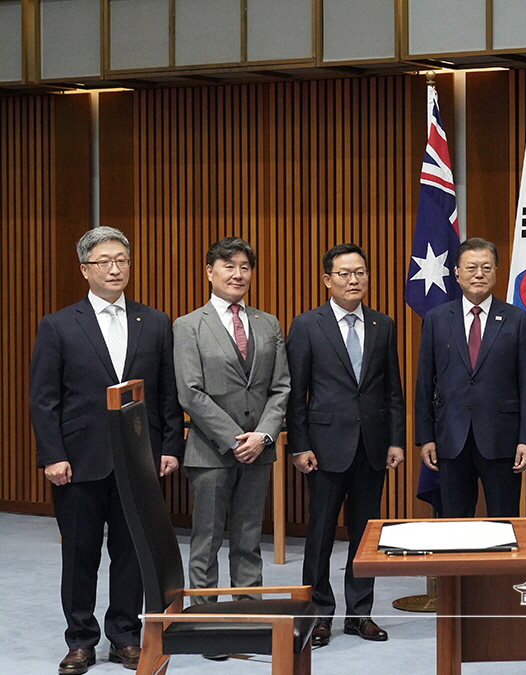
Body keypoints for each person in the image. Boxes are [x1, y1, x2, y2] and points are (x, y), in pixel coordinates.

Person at [30, 226, 185, 674]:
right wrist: (52, 455)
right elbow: (44, 399)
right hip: (78, 461)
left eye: (122, 260)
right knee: (79, 555)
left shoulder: (154, 321)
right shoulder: (58, 324)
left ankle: (123, 636)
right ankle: (80, 640)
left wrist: (169, 445)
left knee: (132, 553)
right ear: (85, 269)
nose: (115, 268)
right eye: (104, 261)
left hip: (139, 459)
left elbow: (166, 393)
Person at [286, 244, 405, 646]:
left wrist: (395, 440)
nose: (353, 280)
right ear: (327, 280)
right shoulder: (306, 325)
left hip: (372, 446)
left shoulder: (382, 324)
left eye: (360, 273)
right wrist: (299, 446)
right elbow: (295, 394)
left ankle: (360, 614)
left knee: (366, 535)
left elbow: (393, 390)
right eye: (344, 274)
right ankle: (318, 615)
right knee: (319, 535)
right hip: (323, 448)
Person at [173, 237, 289, 625]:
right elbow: (190, 392)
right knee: (206, 541)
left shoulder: (267, 322)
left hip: (260, 449)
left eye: (244, 267)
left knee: (249, 538)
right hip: (210, 451)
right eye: (229, 266)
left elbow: (281, 387)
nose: (238, 274)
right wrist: (234, 438)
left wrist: (262, 436)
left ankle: (248, 616)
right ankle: (206, 622)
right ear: (209, 271)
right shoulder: (188, 325)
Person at [415, 238, 526, 517]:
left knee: (505, 520)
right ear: (457, 273)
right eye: (471, 267)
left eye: (486, 267)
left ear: (496, 271)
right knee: (454, 524)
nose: (479, 274)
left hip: (502, 439)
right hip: (451, 440)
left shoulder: (516, 319)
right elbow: (424, 381)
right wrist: (426, 438)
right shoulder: (436, 319)